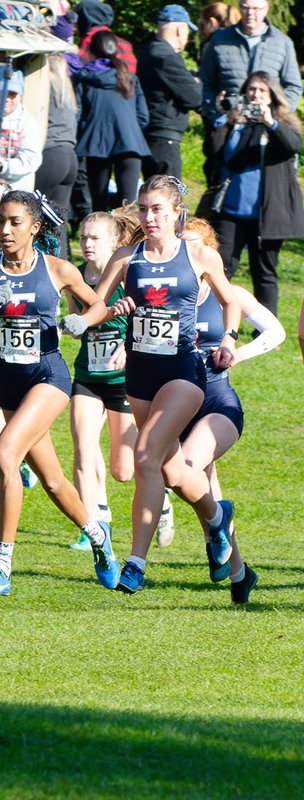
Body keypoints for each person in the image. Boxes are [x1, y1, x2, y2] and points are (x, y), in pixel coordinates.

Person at [0, 191, 118, 598]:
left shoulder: (58, 269)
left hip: (49, 375)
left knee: (5, 454)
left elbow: (100, 307)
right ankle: (98, 537)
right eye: (1, 221)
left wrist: (79, 320)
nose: (4, 230)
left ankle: (3, 566)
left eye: (15, 222)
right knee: (54, 482)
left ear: (35, 227)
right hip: (10, 382)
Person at [93, 175, 243, 593]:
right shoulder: (127, 257)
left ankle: (136, 563)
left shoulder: (199, 255)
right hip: (141, 374)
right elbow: (98, 306)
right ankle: (217, 518)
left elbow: (231, 301)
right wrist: (95, 315)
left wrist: (229, 340)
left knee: (144, 457)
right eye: (143, 208)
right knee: (172, 470)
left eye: (157, 208)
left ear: (177, 212)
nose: (148, 216)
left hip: (186, 372)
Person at [177, 215, 283, 603]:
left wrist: (238, 353)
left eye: (193, 246)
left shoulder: (230, 295)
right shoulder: (172, 294)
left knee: (187, 474)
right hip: (177, 406)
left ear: (210, 253)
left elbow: (276, 332)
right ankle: (240, 574)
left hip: (216, 403)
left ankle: (226, 547)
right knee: (203, 495)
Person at [64, 212, 137, 550]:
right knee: (83, 445)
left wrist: (126, 345)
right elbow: (78, 326)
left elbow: (146, 321)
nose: (88, 244)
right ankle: (93, 521)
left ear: (113, 242)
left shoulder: (126, 275)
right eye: (83, 238)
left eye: (95, 238)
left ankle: (163, 494)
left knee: (125, 469)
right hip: (88, 375)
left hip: (123, 377)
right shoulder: (76, 277)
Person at [206, 71, 304, 318]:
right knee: (220, 265)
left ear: (271, 95)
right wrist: (221, 117)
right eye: (251, 89)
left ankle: (267, 328)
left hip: (267, 213)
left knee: (264, 272)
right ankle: (212, 317)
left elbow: (293, 145)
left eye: (261, 90)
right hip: (231, 211)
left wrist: (270, 122)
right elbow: (214, 151)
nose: (255, 95)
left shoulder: (281, 121)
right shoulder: (235, 120)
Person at [74, 31, 149, 214]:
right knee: (128, 209)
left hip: (95, 146)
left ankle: (102, 242)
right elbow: (143, 117)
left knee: (98, 207)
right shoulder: (129, 78)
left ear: (91, 51)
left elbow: (77, 115)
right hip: (130, 144)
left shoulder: (82, 79)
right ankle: (129, 243)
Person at [199, 0, 301, 122]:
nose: (250, 13)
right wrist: (215, 110)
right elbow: (205, 83)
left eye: (256, 9)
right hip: (226, 123)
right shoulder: (219, 40)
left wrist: (277, 116)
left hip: (266, 125)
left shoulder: (282, 43)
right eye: (245, 8)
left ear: (266, 9)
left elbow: (293, 87)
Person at [137, 6, 201, 181]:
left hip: (151, 134)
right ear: (180, 30)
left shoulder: (148, 50)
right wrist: (195, 84)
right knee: (169, 198)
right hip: (164, 137)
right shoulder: (166, 56)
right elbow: (194, 97)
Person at [34, 52, 77, 246]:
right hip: (69, 156)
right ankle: (62, 263)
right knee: (59, 221)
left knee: (30, 209)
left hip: (50, 154)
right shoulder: (67, 91)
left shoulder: (45, 86)